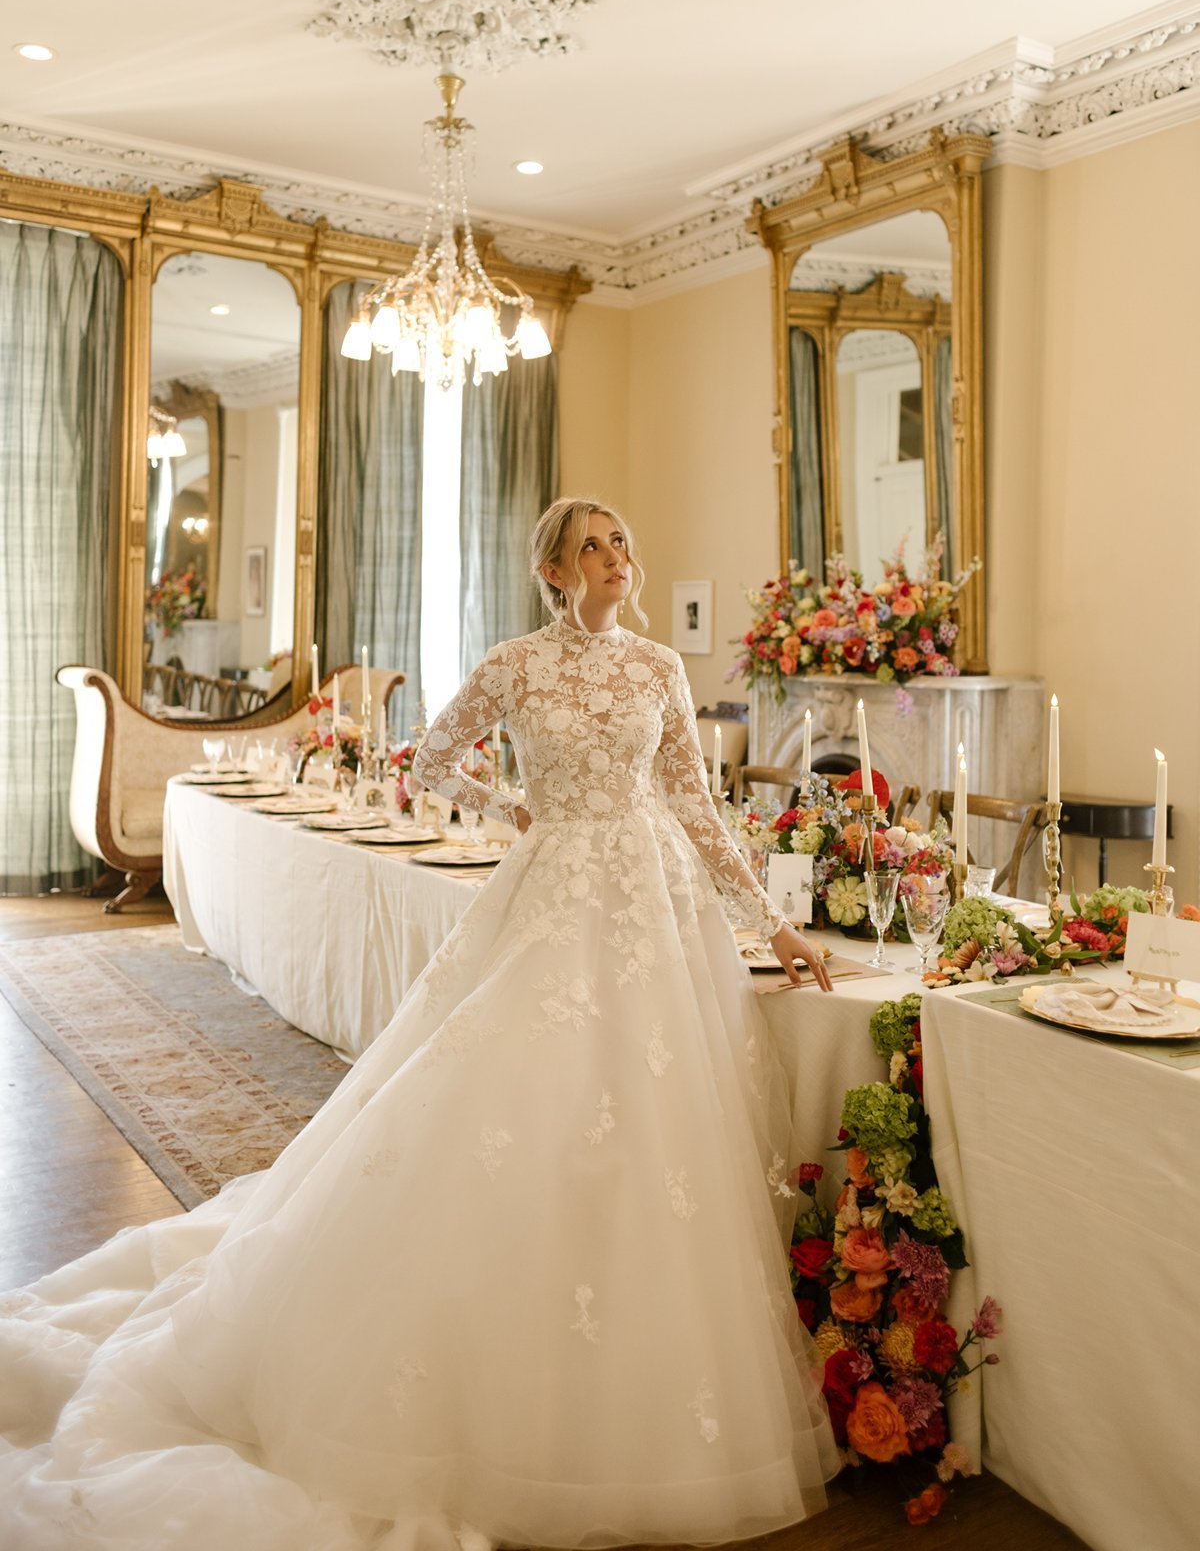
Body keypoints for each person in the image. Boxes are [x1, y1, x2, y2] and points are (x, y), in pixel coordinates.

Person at [0, 498, 838, 1550]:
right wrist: (516, 808)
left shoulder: (660, 669)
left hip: (652, 908)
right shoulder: (517, 663)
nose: (618, 558)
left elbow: (695, 808)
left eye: (624, 539)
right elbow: (433, 759)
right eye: (594, 545)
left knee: (646, 1125)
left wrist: (772, 926)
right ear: (553, 570)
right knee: (519, 1098)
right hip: (553, 891)